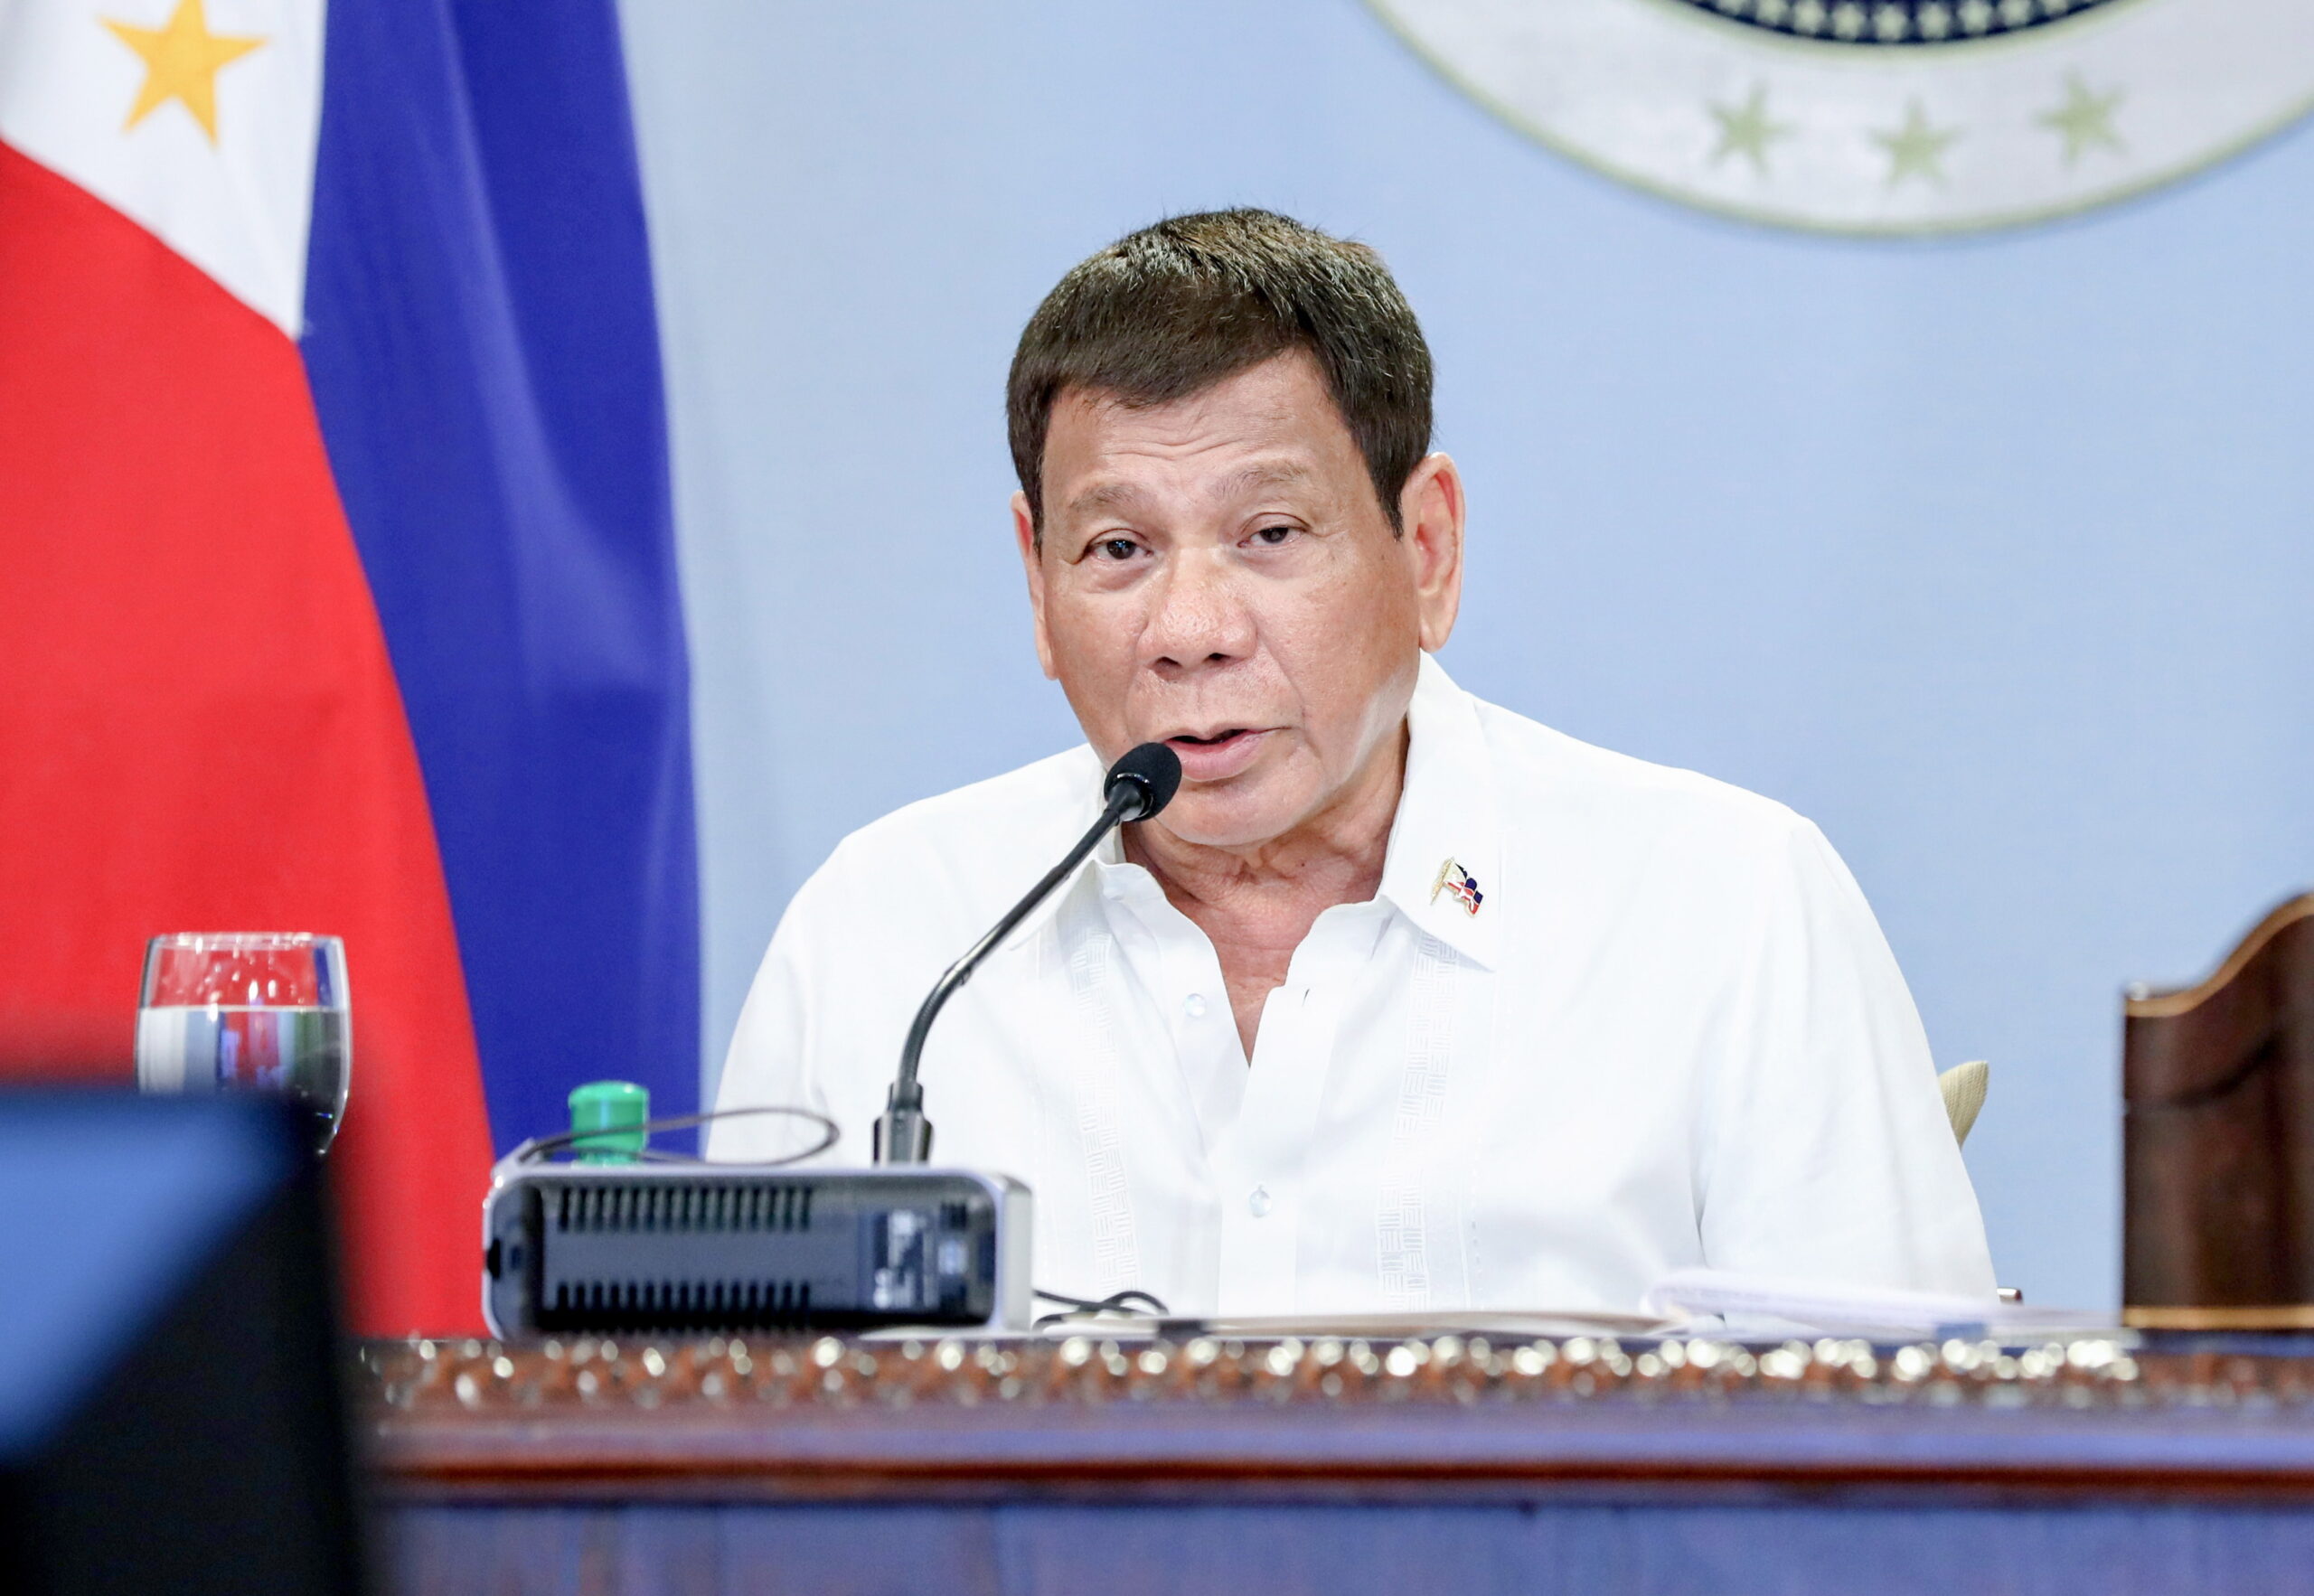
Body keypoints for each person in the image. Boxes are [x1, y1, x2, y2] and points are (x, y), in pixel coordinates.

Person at [711, 209, 1995, 1317]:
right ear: (1037, 584)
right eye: (1118, 550)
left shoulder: (1726, 909)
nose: (1191, 629)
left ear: (1425, 548)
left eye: (1271, 532)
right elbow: (725, 1453)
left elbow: (1902, 1471)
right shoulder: (888, 937)